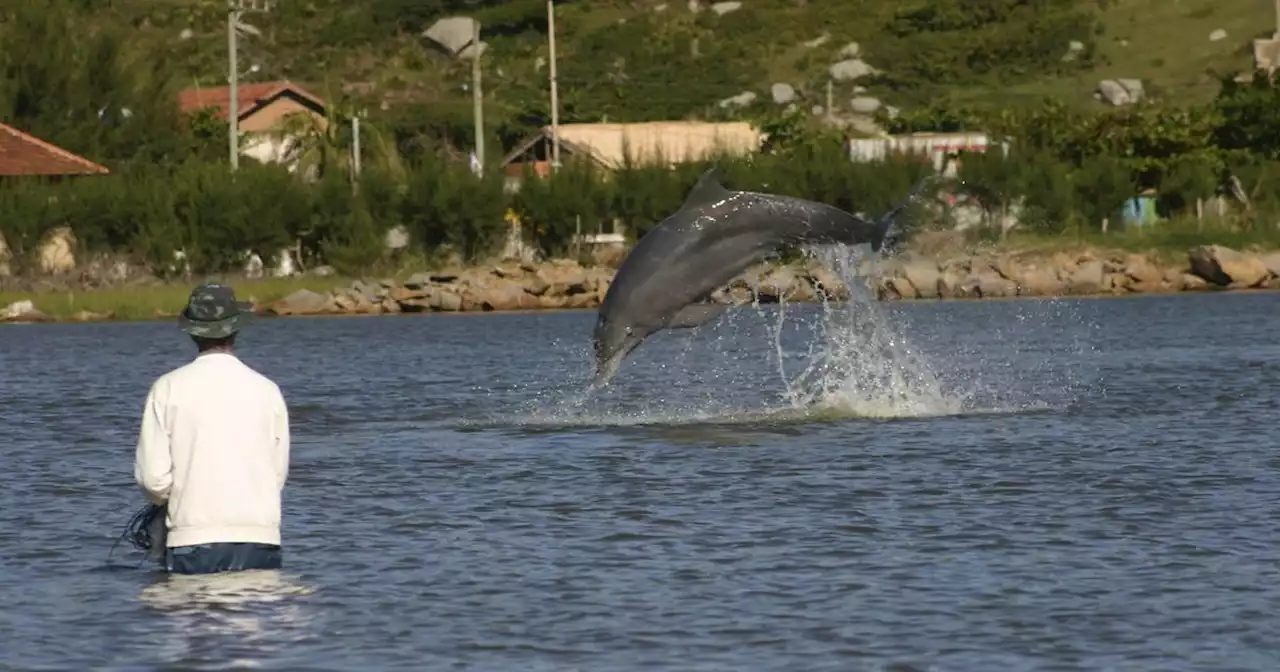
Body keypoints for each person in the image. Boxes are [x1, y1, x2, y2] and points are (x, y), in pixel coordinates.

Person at [133, 282, 291, 575]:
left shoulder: (167, 388)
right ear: (237, 328)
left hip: (194, 542)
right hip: (261, 540)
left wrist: (186, 494)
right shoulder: (268, 391)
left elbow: (154, 480)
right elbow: (276, 475)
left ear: (192, 331)